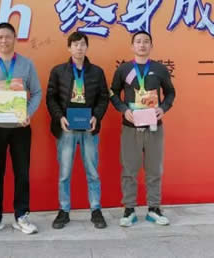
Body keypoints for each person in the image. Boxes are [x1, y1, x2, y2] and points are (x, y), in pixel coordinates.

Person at [0, 22, 43, 236]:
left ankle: (22, 215)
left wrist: (28, 113)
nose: (4, 40)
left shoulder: (26, 64)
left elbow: (37, 92)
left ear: (15, 39)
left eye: (8, 36)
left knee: (22, 172)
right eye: (0, 37)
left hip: (20, 127)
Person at [109, 30, 176, 227]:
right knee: (129, 169)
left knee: (154, 169)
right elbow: (113, 93)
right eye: (138, 41)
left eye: (146, 41)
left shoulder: (160, 69)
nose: (142, 45)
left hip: (154, 127)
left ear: (151, 46)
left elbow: (171, 93)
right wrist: (123, 110)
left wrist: (163, 108)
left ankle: (154, 209)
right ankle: (129, 209)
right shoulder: (124, 69)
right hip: (131, 127)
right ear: (132, 46)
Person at [46, 31, 109, 229]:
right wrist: (60, 117)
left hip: (89, 128)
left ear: (87, 47)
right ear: (69, 48)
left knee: (92, 171)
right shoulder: (58, 71)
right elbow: (51, 97)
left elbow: (103, 97)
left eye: (82, 44)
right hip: (67, 128)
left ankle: (96, 209)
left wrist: (96, 116)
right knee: (65, 173)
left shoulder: (97, 72)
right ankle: (64, 210)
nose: (79, 48)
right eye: (75, 44)